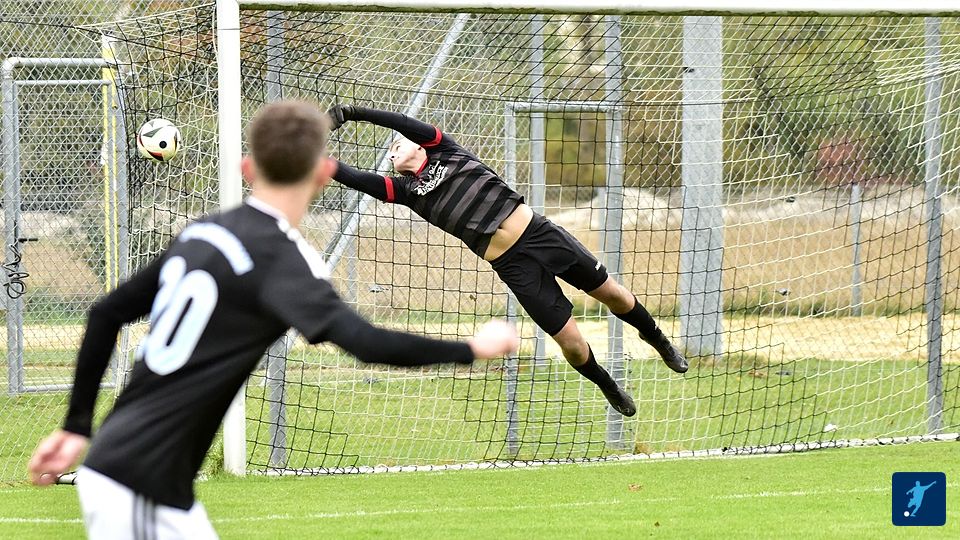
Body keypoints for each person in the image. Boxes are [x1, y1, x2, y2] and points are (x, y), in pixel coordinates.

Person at [27, 101, 519, 539]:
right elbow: (366, 342)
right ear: (323, 174)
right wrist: (472, 348)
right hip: (139, 481)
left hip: (143, 478)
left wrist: (76, 426)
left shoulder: (204, 232)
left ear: (247, 168)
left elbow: (106, 312)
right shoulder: (284, 261)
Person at [327, 104, 688, 418]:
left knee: (614, 295)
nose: (394, 149)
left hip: (540, 235)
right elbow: (355, 178)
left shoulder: (445, 150)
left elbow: (402, 122)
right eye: (391, 152)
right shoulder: (406, 191)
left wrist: (353, 113)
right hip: (513, 266)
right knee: (572, 344)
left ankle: (657, 339)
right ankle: (607, 384)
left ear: (418, 144)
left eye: (398, 143)